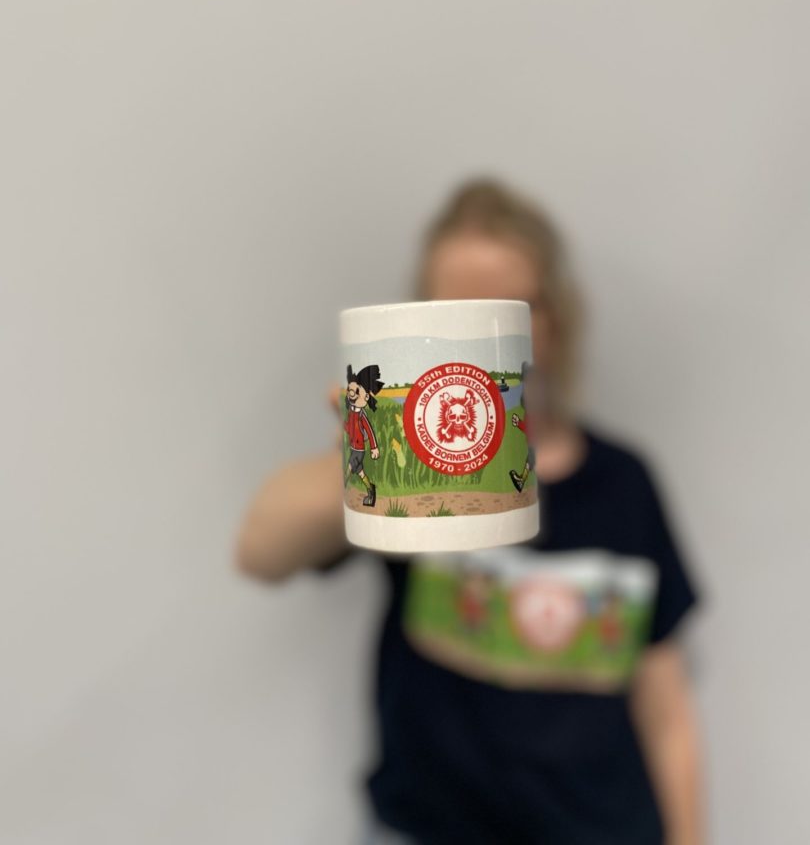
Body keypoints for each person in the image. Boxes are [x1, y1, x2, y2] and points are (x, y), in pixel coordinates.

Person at [236, 180, 704, 845]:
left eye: (505, 308)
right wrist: (362, 453)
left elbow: (666, 703)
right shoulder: (398, 490)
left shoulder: (622, 484)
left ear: (552, 319)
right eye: (448, 311)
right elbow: (259, 552)